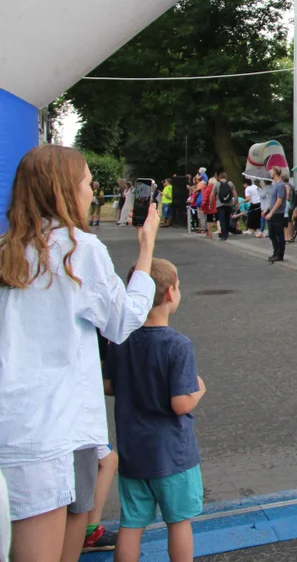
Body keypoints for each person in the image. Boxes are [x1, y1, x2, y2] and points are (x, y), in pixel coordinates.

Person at [0, 145, 158, 562]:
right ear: (66, 190)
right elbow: (123, 321)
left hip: (14, 425)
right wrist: (146, 250)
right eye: (89, 182)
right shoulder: (79, 249)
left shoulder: (6, 251)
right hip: (49, 433)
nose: (94, 191)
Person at [104, 259, 205, 562]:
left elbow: (109, 386)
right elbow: (181, 403)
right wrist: (199, 388)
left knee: (131, 524)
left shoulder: (119, 340)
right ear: (171, 294)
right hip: (172, 453)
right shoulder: (178, 345)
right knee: (178, 522)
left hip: (133, 449)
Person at [262, 167, 288, 263]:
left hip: (278, 213)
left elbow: (279, 201)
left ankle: (280, 254)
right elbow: (272, 200)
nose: (270, 173)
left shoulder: (280, 185)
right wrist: (266, 210)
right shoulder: (274, 185)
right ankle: (276, 251)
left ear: (275, 173)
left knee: (278, 234)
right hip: (272, 212)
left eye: (271, 172)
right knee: (272, 233)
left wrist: (271, 212)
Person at [215, 172, 236, 241]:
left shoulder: (217, 184)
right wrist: (237, 202)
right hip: (229, 204)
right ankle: (226, 233)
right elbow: (235, 193)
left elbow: (212, 194)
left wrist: (210, 203)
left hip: (220, 204)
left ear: (219, 177)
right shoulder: (230, 183)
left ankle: (224, 235)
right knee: (227, 219)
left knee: (222, 220)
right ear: (226, 177)